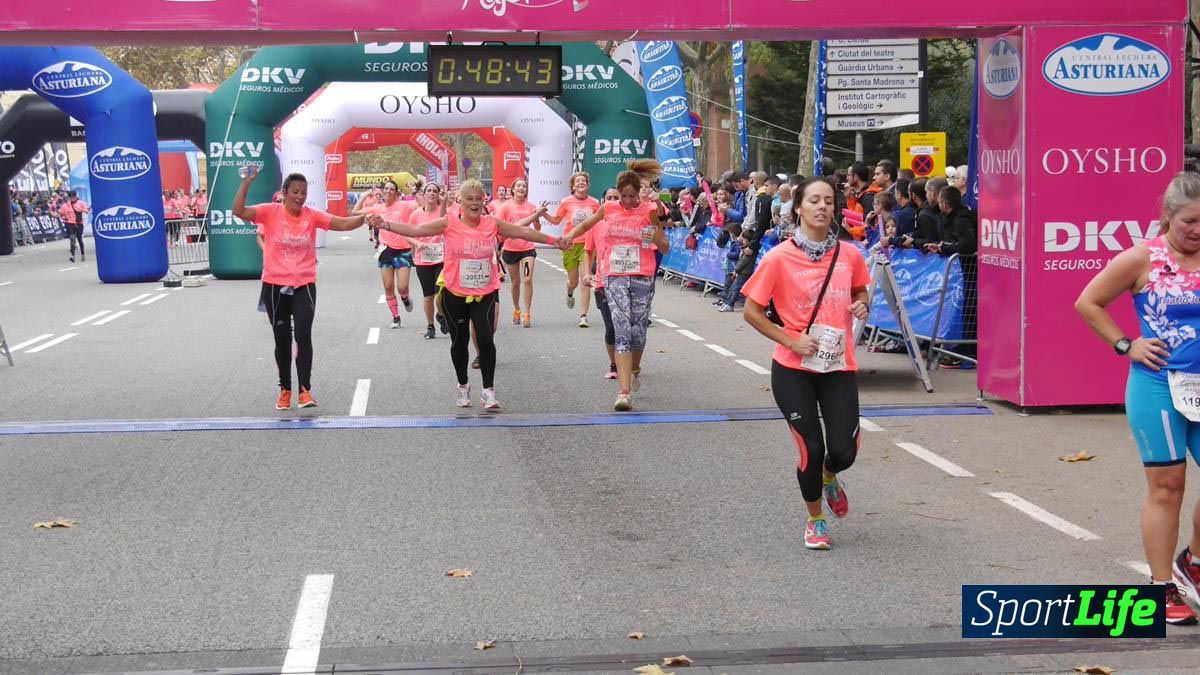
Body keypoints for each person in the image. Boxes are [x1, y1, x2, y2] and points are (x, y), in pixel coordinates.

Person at [1076, 172, 1200, 625]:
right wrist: (1127, 345)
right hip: (1158, 385)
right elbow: (1089, 303)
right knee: (1168, 487)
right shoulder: (1140, 258)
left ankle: (1194, 565)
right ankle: (1161, 584)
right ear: (1167, 216)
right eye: (1190, 221)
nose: (1198, 230)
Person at [740, 176, 871, 551]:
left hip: (837, 366)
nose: (822, 207)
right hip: (793, 368)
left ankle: (831, 476)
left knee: (843, 451)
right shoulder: (779, 257)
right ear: (798, 207)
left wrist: (863, 303)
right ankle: (815, 519)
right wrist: (791, 339)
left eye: (829, 201)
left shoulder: (850, 254)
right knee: (811, 448)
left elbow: (860, 289)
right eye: (814, 200)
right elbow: (751, 311)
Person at [369, 179, 566, 410]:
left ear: (484, 201)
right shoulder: (448, 222)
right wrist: (386, 225)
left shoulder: (492, 223)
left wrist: (555, 241)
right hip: (455, 292)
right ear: (460, 201)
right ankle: (463, 386)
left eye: (478, 198)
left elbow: (522, 231)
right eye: (469, 199)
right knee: (459, 342)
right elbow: (416, 230)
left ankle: (488, 391)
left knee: (485, 339)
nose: (474, 203)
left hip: (485, 291)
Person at [234, 169, 369, 410]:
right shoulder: (269, 212)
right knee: (282, 339)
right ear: (284, 193)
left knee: (303, 335)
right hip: (275, 284)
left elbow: (344, 223)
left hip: (304, 283)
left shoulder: (312, 215)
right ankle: (285, 389)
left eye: (304, 193)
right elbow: (239, 212)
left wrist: (367, 217)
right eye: (295, 192)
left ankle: (305, 390)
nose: (300, 196)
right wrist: (246, 184)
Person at [564, 160, 670, 411]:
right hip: (614, 274)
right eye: (624, 196)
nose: (629, 201)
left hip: (643, 274)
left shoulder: (648, 210)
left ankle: (634, 367)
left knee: (638, 332)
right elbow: (585, 225)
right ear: (618, 193)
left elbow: (665, 247)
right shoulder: (608, 208)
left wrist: (653, 234)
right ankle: (623, 393)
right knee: (622, 329)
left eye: (633, 196)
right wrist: (568, 237)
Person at [543, 173, 601, 327]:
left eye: (584, 181)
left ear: (587, 185)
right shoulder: (566, 202)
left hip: (587, 245)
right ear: (573, 186)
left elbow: (600, 222)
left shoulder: (595, 203)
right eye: (578, 181)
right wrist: (543, 213)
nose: (581, 183)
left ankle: (583, 316)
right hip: (570, 244)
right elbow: (556, 221)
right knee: (573, 281)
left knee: (585, 279)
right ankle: (569, 292)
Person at [584, 187, 623, 379]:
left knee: (627, 327)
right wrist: (585, 274)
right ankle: (614, 364)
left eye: (617, 198)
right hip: (602, 282)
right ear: (603, 201)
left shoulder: (629, 220)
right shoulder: (596, 223)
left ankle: (629, 360)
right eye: (609, 198)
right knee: (611, 327)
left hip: (626, 280)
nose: (613, 201)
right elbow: (588, 250)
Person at [372, 180, 418, 329]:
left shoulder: (404, 205)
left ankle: (405, 298)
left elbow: (423, 206)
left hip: (403, 251)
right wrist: (367, 193)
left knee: (402, 286)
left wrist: (416, 191)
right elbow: (356, 212)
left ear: (396, 193)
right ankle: (396, 317)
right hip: (385, 250)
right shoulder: (378, 208)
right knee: (388, 285)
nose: (388, 191)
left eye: (391, 189)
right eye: (386, 188)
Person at [495, 178, 540, 328]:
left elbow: (537, 229)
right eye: (519, 186)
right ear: (513, 189)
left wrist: (538, 218)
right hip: (511, 249)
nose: (521, 188)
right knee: (515, 282)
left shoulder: (531, 206)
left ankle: (527, 313)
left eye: (524, 186)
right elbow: (498, 228)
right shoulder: (506, 207)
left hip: (527, 248)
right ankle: (516, 309)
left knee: (527, 279)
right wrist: (507, 236)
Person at [410, 182, 450, 339]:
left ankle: (441, 315)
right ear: (424, 194)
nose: (432, 193)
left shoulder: (442, 211)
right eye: (429, 191)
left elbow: (442, 223)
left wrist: (445, 202)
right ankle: (430, 325)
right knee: (428, 296)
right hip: (423, 260)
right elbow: (407, 233)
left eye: (435, 191)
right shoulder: (416, 214)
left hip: (441, 258)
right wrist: (416, 244)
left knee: (440, 293)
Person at [58, 191, 88, 262]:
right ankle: (73, 256)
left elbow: (86, 211)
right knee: (72, 239)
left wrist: (80, 209)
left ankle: (83, 254)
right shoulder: (66, 205)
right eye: (70, 197)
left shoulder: (81, 203)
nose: (72, 199)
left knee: (79, 238)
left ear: (75, 196)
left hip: (79, 223)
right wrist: (60, 214)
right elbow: (61, 213)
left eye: (73, 197)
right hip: (70, 223)